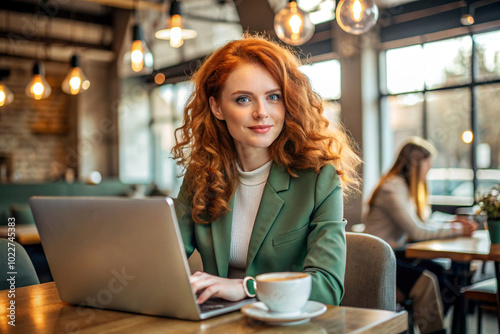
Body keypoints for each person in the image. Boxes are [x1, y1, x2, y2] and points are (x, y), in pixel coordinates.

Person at [171, 34, 361, 306]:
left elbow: (327, 286)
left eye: (273, 96)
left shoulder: (319, 177)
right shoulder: (202, 173)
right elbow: (164, 255)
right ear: (217, 107)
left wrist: (248, 287)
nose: (262, 112)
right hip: (218, 322)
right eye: (243, 100)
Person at [363, 137, 478, 334]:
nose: (428, 173)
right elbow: (418, 231)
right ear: (416, 165)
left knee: (444, 274)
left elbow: (423, 223)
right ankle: (430, 328)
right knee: (428, 280)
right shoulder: (392, 188)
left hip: (394, 254)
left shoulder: (404, 188)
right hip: (377, 261)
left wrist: (452, 223)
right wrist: (457, 229)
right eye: (427, 167)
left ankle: (425, 325)